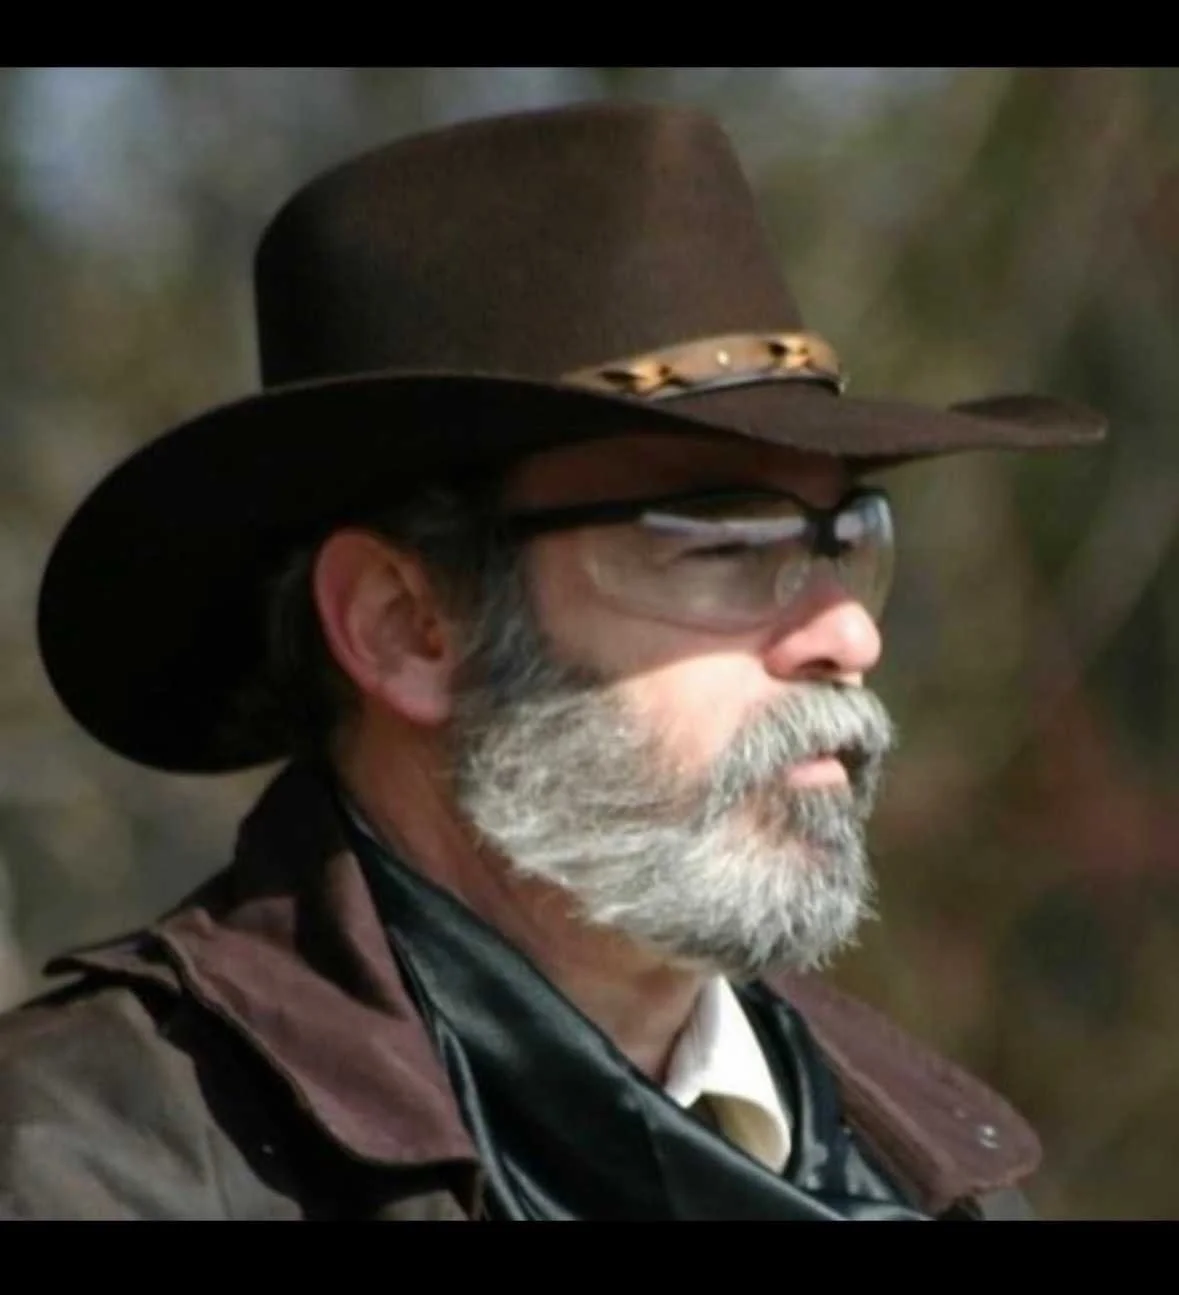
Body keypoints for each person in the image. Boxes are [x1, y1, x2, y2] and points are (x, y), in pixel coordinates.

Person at [0, 101, 1104, 1220]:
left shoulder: (931, 1176)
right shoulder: (89, 1163)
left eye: (849, 541)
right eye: (723, 545)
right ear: (405, 627)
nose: (847, 634)